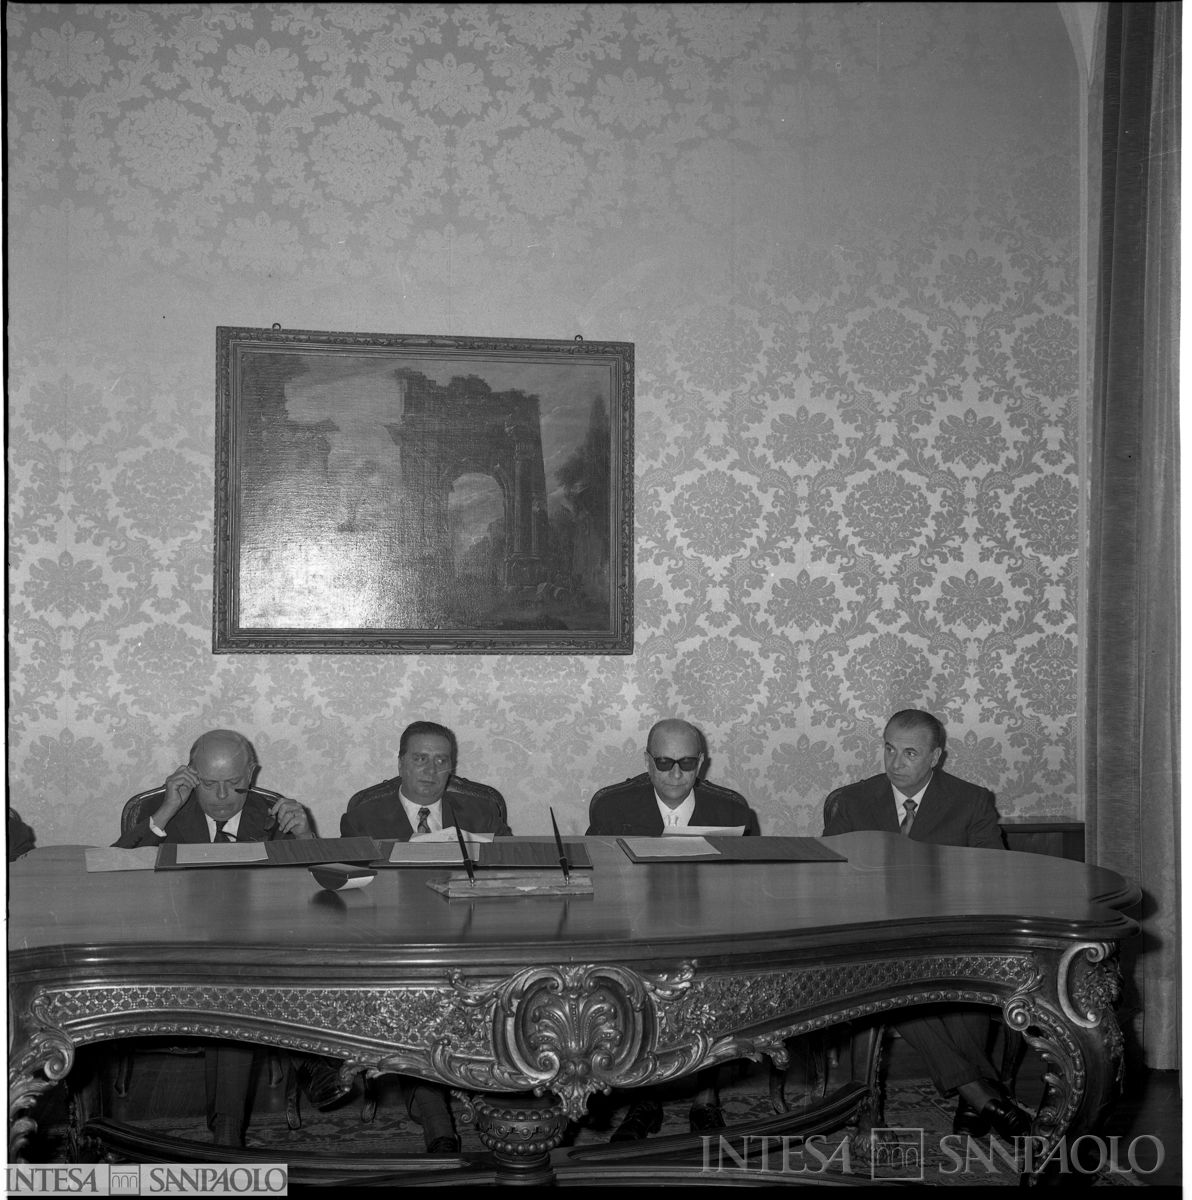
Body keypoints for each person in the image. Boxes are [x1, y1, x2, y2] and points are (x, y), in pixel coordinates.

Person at [822, 708, 1029, 1142]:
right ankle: (981, 1094)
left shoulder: (971, 800)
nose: (895, 763)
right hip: (874, 937)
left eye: (910, 753)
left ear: (936, 757)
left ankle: (974, 1097)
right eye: (889, 749)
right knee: (889, 985)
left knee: (959, 981)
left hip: (948, 931)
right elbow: (834, 878)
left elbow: (993, 874)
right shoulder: (852, 802)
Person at [113, 729, 321, 1147]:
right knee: (233, 989)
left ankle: (229, 1129)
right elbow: (116, 874)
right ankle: (309, 1066)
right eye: (209, 784)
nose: (224, 796)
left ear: (253, 773)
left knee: (238, 986)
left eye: (236, 783)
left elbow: (318, 887)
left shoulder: (274, 814)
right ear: (190, 776)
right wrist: (165, 811)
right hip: (177, 952)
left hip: (254, 955)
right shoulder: (165, 811)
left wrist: (304, 838)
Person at [341, 720, 511, 1153]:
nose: (430, 770)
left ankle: (503, 1100)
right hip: (393, 944)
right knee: (419, 1001)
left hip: (467, 938)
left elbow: (507, 876)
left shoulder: (480, 811)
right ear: (400, 762)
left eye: (442, 761)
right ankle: (436, 1120)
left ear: (452, 767)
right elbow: (351, 885)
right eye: (420, 759)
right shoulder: (364, 813)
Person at [586, 718, 760, 1141]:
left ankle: (707, 1098)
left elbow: (752, 881)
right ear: (647, 762)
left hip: (709, 929)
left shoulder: (732, 811)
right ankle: (646, 1098)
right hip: (637, 930)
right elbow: (597, 877)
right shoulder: (613, 808)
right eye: (664, 762)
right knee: (633, 986)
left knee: (718, 981)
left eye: (686, 762)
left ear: (701, 764)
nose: (676, 774)